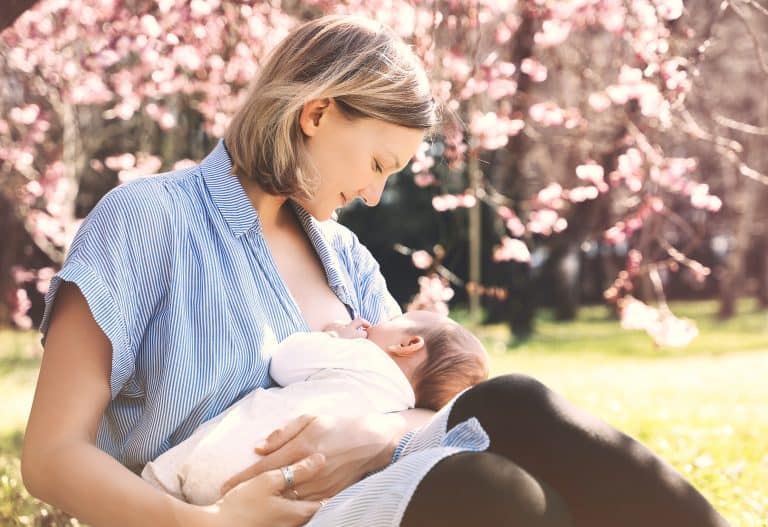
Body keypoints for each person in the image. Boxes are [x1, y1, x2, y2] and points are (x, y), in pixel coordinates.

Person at [21, 13, 731, 527]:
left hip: (364, 492)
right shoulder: (150, 218)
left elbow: (414, 397)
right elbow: (50, 457)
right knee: (490, 492)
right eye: (378, 164)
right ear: (317, 113)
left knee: (516, 401)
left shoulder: (345, 258)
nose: (373, 196)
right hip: (222, 516)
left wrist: (375, 436)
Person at [141, 311, 489, 506]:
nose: (377, 320)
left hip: (233, 449)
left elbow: (285, 361)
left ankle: (152, 488)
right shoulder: (396, 411)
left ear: (407, 344)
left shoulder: (366, 355)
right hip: (269, 495)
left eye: (396, 317)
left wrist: (338, 337)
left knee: (163, 481)